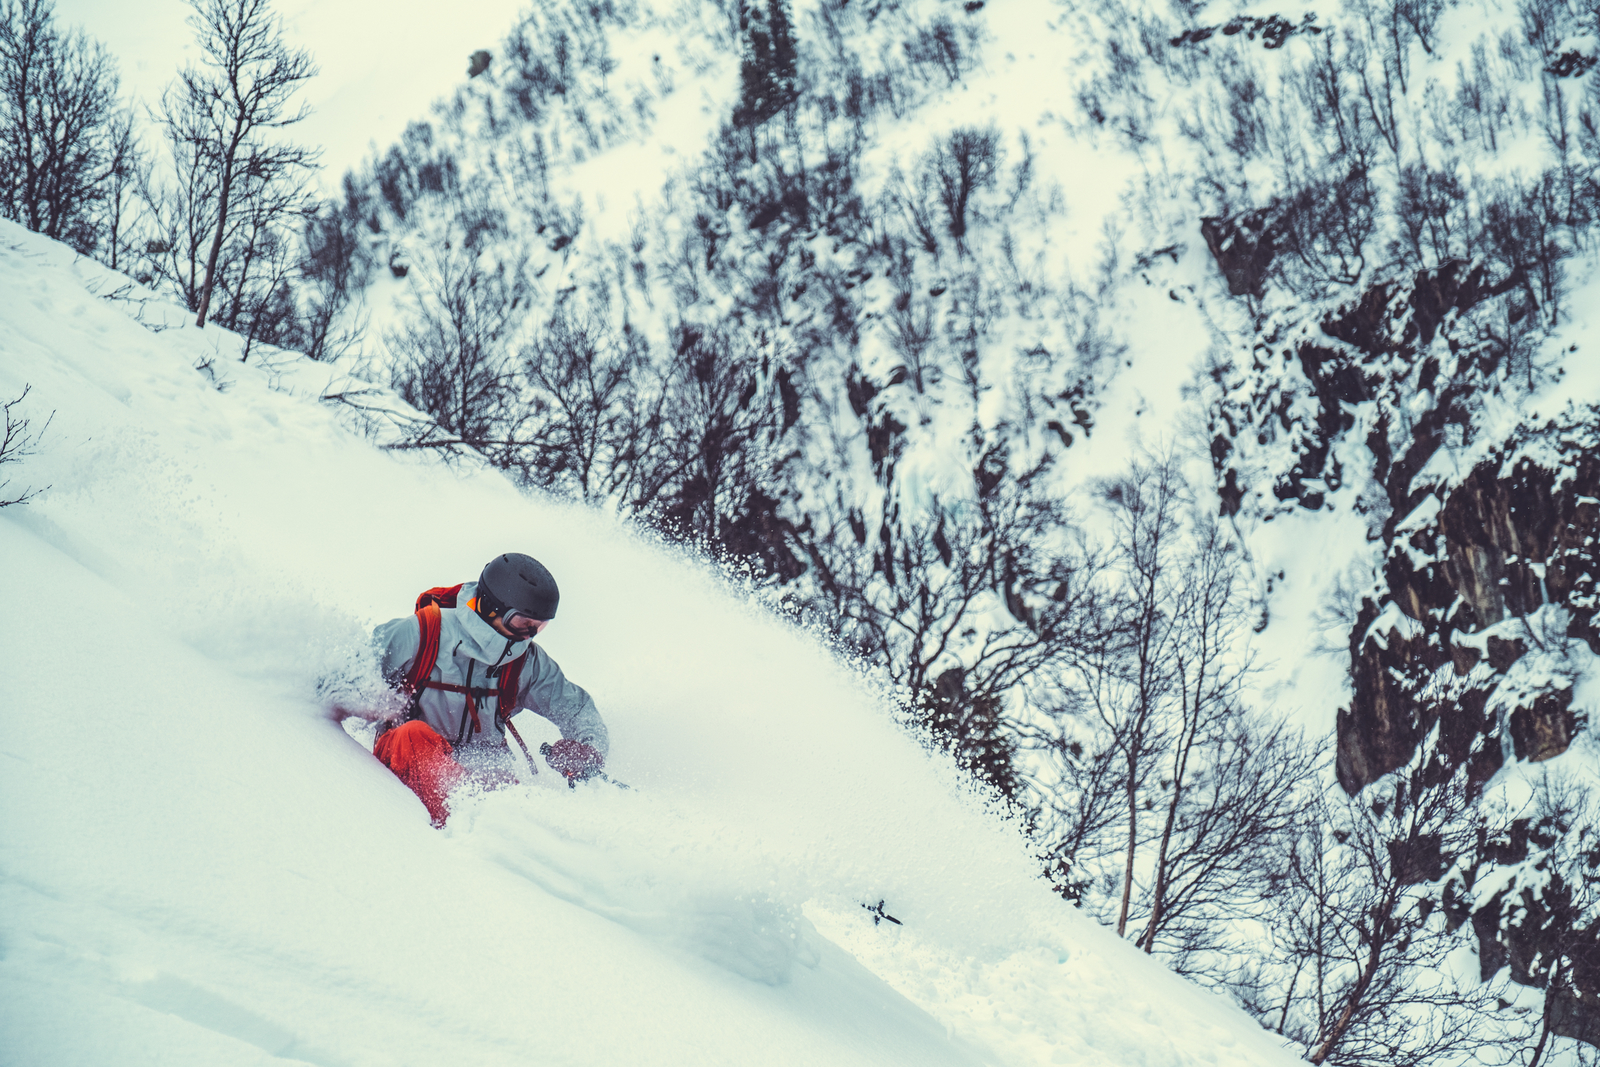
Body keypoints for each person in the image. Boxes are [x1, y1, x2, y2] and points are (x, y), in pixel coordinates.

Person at [365, 552, 609, 825]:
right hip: (406, 760)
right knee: (413, 735)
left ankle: (512, 844)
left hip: (484, 772)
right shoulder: (422, 633)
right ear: (491, 608)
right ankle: (458, 832)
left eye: (539, 628)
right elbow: (353, 672)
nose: (529, 636)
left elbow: (577, 709)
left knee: (515, 808)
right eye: (522, 624)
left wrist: (589, 753)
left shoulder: (525, 661)